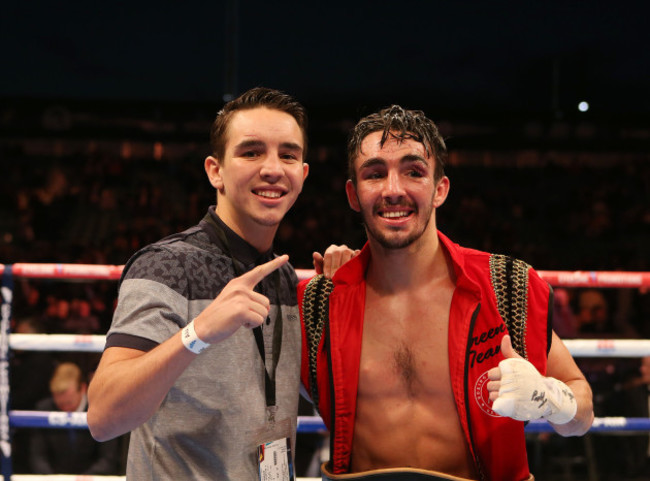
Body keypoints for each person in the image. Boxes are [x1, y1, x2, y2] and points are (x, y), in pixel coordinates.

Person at [298, 105, 594, 481]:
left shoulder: (506, 287)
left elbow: (582, 413)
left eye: (413, 172)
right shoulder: (318, 303)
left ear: (440, 189)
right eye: (375, 174)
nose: (393, 190)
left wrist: (549, 399)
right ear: (354, 195)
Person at [87, 87, 310, 479]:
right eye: (251, 151)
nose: (273, 168)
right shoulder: (166, 266)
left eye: (288, 154)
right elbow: (104, 418)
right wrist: (198, 333)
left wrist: (352, 291)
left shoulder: (282, 274)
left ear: (303, 174)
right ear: (215, 171)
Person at [29, 362, 119, 474]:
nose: (66, 408)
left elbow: (108, 459)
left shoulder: (101, 409)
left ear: (82, 388)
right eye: (61, 405)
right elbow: (38, 457)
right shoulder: (44, 409)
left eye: (69, 402)